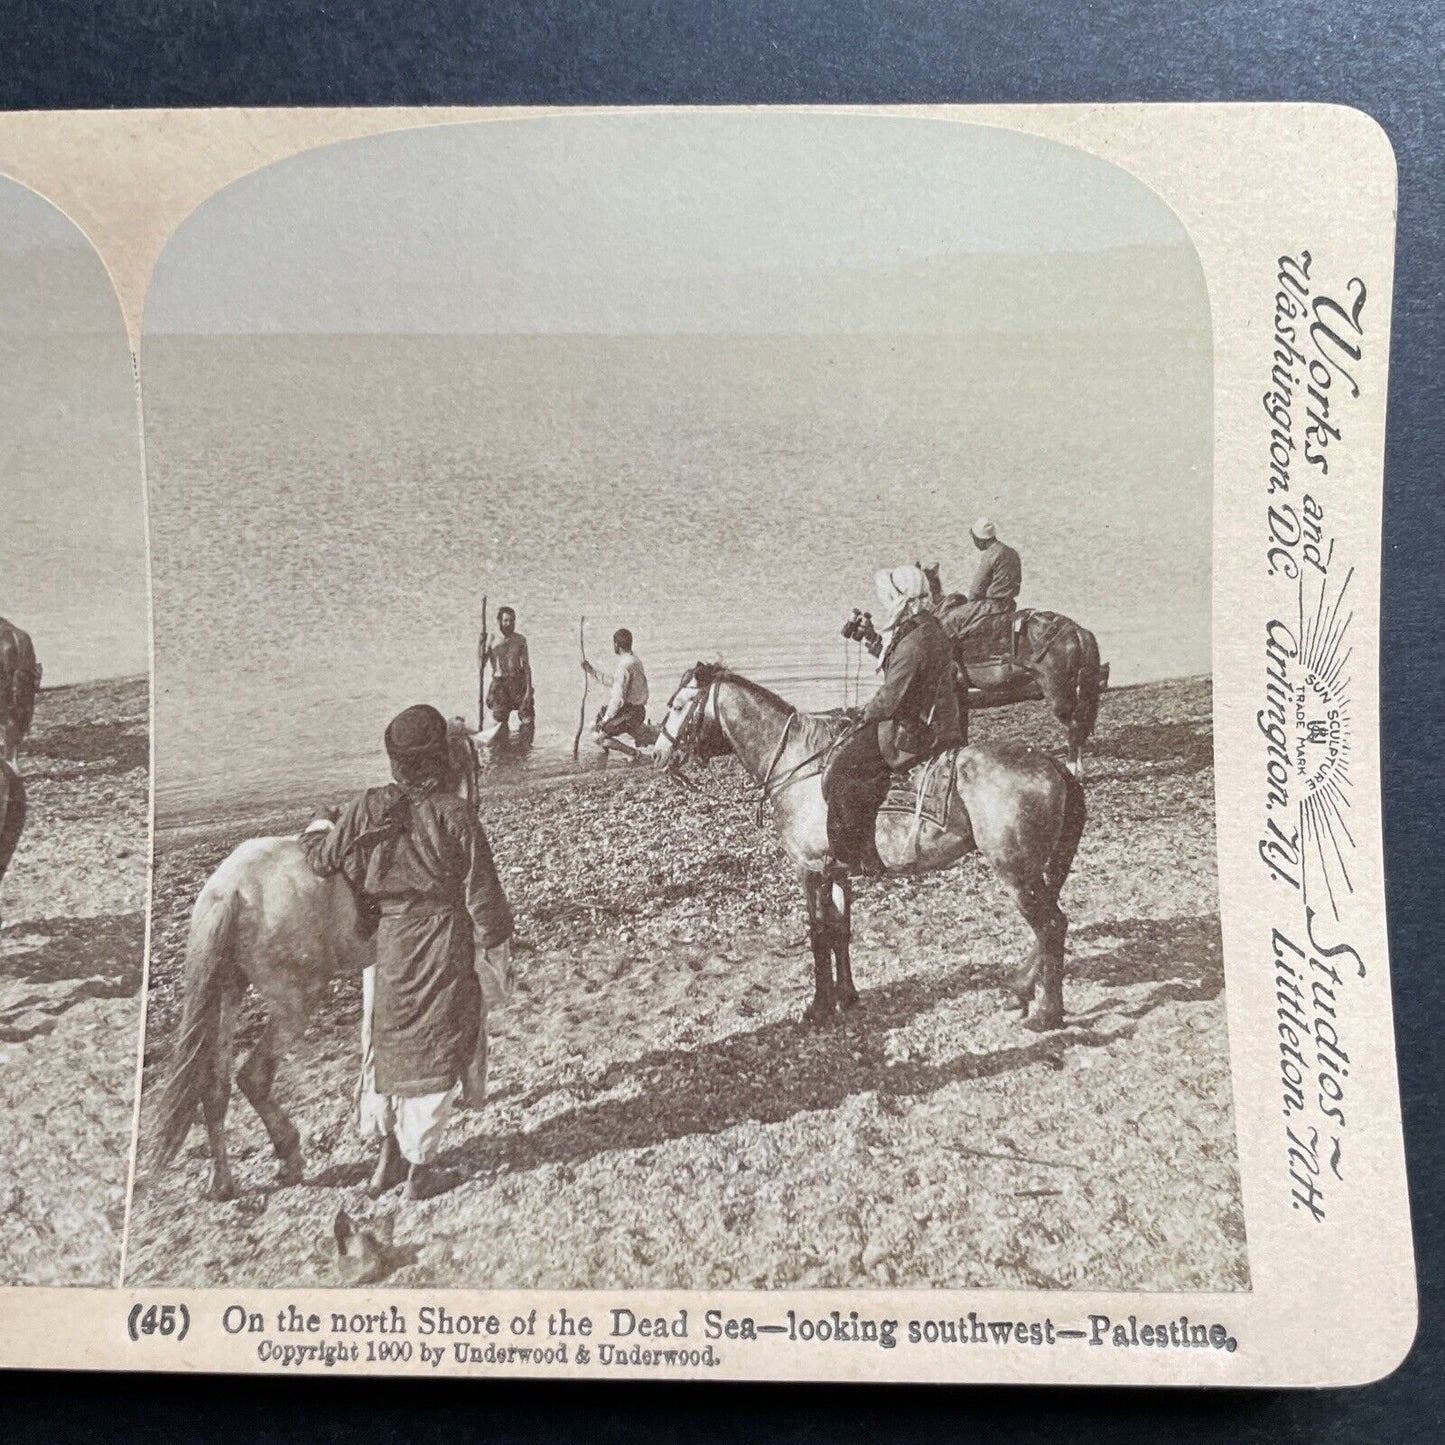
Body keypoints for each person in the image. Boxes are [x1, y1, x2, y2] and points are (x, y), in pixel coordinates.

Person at [304, 703, 515, 1201]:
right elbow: (482, 894)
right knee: (440, 1043)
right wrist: (496, 948)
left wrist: (317, 825)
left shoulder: (369, 806)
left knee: (390, 1045)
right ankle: (420, 1173)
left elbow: (322, 860)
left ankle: (386, 1164)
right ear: (442, 759)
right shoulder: (455, 815)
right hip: (441, 941)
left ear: (396, 760)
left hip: (391, 945)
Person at [824, 565, 963, 874]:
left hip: (918, 729)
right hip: (935, 719)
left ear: (900, 599)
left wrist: (859, 716)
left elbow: (890, 698)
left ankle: (855, 857)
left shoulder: (916, 639)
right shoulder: (925, 627)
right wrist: (871, 639)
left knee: (845, 768)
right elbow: (900, 665)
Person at [941, 518, 1023, 651]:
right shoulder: (1011, 552)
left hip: (992, 606)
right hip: (1009, 604)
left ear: (980, 539)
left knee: (949, 620)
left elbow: (977, 588)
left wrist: (970, 604)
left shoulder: (991, 554)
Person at [584, 628, 649, 742]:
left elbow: (617, 699)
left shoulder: (624, 665)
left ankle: (633, 754)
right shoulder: (634, 660)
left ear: (616, 645)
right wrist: (592, 672)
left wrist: (605, 720)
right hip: (636, 710)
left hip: (631, 713)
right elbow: (616, 683)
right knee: (596, 724)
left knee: (598, 737)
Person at [484, 606, 534, 729]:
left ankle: (526, 746)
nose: (509, 624)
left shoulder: (520, 639)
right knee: (500, 723)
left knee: (527, 720)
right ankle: (503, 746)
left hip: (517, 683)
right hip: (500, 684)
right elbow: (481, 664)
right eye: (506, 620)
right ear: (499, 621)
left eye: (512, 620)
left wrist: (528, 691)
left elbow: (527, 667)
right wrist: (481, 648)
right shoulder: (492, 639)